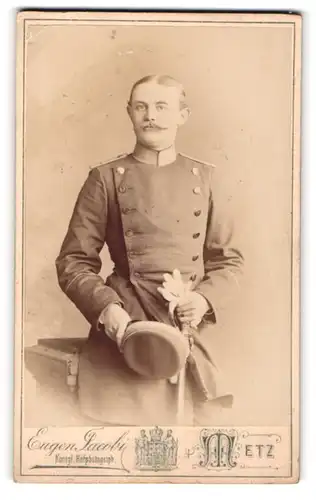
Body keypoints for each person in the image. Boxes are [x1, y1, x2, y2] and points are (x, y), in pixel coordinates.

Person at [55, 74, 244, 426]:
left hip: (189, 327)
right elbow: (73, 262)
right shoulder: (106, 177)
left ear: (182, 115)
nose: (150, 116)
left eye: (161, 107)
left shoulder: (207, 178)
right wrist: (107, 309)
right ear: (129, 113)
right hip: (126, 325)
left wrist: (202, 300)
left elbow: (230, 262)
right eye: (141, 106)